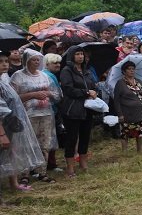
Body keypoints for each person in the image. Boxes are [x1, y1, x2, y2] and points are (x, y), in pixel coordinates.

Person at [10, 49, 59, 183]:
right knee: (27, 144)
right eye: (34, 59)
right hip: (27, 115)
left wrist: (48, 94)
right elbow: (12, 97)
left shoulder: (44, 76)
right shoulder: (18, 76)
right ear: (27, 61)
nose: (37, 62)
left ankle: (42, 172)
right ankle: (24, 174)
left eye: (38, 59)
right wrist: (33, 95)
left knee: (44, 143)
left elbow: (55, 93)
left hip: (45, 113)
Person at [0, 51, 45, 192]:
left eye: (6, 61)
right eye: (0, 62)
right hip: (2, 127)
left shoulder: (4, 80)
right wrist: (2, 134)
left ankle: (14, 184)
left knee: (11, 154)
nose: (4, 64)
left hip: (10, 124)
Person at [59, 45, 98, 177]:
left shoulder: (86, 71)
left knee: (85, 136)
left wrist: (94, 92)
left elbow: (93, 84)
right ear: (72, 56)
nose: (80, 56)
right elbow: (68, 89)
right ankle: (70, 167)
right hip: (72, 108)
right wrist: (86, 92)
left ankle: (83, 163)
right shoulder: (66, 71)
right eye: (77, 54)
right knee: (72, 138)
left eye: (82, 54)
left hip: (87, 108)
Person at [113, 60, 142, 153]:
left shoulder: (139, 82)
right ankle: (124, 152)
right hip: (127, 113)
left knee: (140, 133)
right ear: (124, 71)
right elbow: (116, 100)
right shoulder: (120, 83)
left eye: (133, 69)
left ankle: (140, 151)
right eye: (129, 69)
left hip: (140, 112)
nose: (132, 71)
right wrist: (120, 114)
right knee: (125, 133)